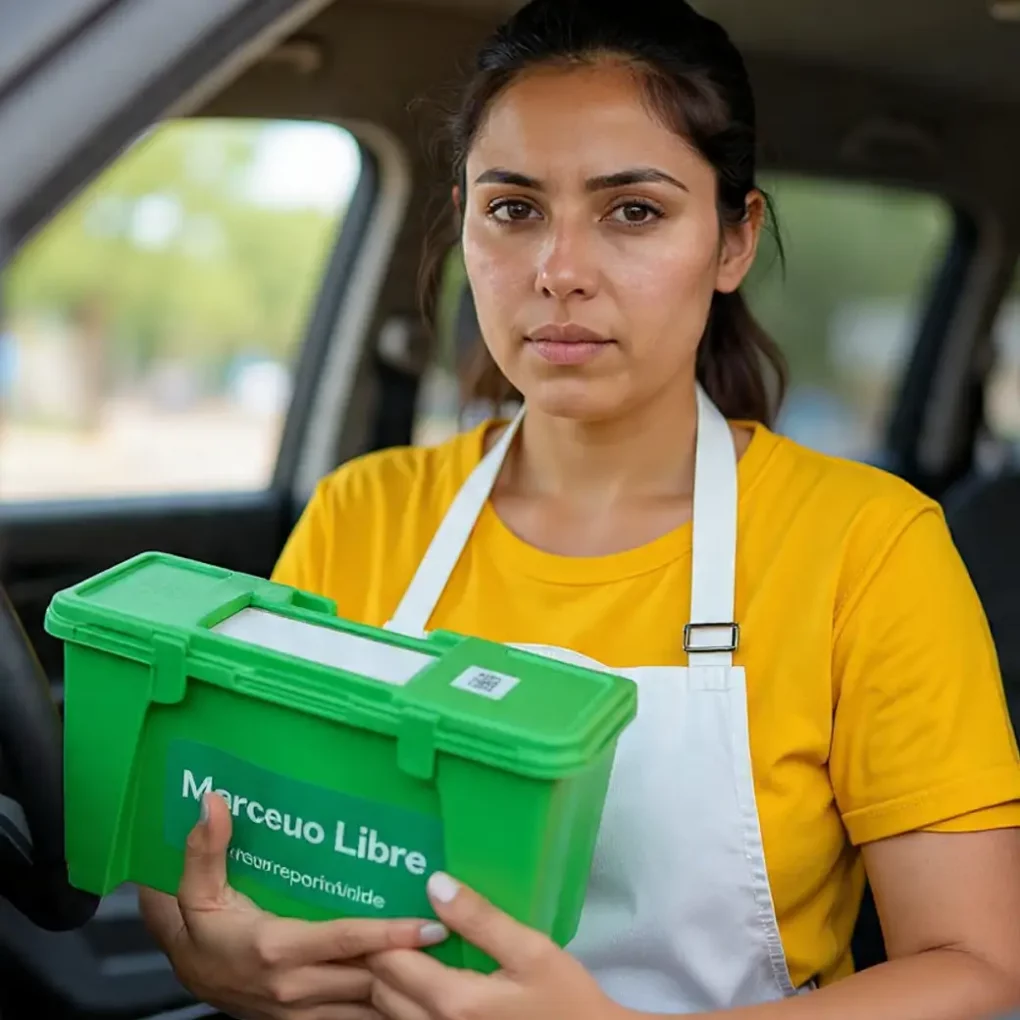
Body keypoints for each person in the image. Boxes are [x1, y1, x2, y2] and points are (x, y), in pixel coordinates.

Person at [139, 1, 1020, 1017]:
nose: (560, 272)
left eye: (633, 212)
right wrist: (213, 954)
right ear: (465, 219)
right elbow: (235, 853)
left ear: (734, 243)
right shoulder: (364, 513)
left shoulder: (868, 547)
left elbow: (978, 966)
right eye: (514, 209)